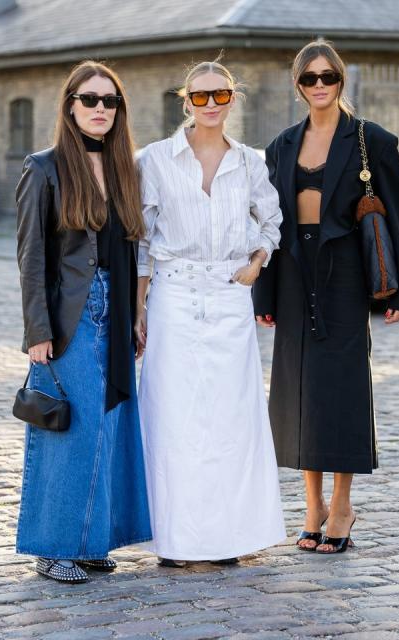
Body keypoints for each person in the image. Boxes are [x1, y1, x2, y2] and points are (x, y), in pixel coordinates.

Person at [253, 40, 399, 554]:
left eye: (328, 77)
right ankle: (312, 505)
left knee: (342, 388)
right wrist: (265, 293)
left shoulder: (373, 140)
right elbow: (266, 223)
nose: (320, 85)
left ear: (341, 80)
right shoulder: (280, 146)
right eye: (309, 78)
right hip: (293, 273)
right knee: (299, 389)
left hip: (345, 271)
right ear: (298, 85)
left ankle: (343, 506)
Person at [136, 60, 286, 566]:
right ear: (186, 101)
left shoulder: (251, 162)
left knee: (230, 420)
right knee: (173, 418)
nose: (211, 105)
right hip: (173, 297)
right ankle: (175, 541)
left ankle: (229, 539)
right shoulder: (154, 160)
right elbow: (140, 242)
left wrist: (257, 263)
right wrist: (139, 310)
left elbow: (272, 220)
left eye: (220, 94)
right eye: (200, 97)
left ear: (232, 98)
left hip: (228, 296)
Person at [14, 61, 152, 583]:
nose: (100, 109)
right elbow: (30, 257)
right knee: (70, 428)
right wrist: (38, 331)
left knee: (110, 427)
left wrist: (136, 314)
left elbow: (130, 249)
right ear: (70, 106)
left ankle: (90, 541)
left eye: (110, 101)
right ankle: (53, 548)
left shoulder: (123, 170)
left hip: (116, 310)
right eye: (90, 99)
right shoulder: (44, 167)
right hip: (70, 316)